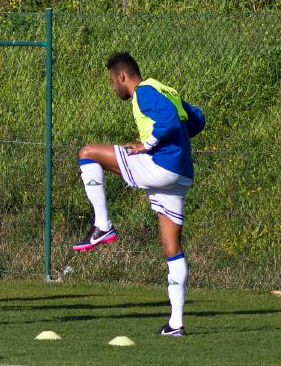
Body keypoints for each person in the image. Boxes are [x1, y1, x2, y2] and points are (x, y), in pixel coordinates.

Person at [73, 52, 205, 337]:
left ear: (122, 76)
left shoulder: (143, 92)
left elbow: (168, 121)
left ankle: (102, 225)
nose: (113, 88)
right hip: (181, 174)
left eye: (112, 82)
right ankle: (176, 324)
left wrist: (149, 144)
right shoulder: (163, 88)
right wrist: (171, 142)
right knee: (172, 249)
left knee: (87, 154)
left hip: (162, 167)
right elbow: (197, 120)